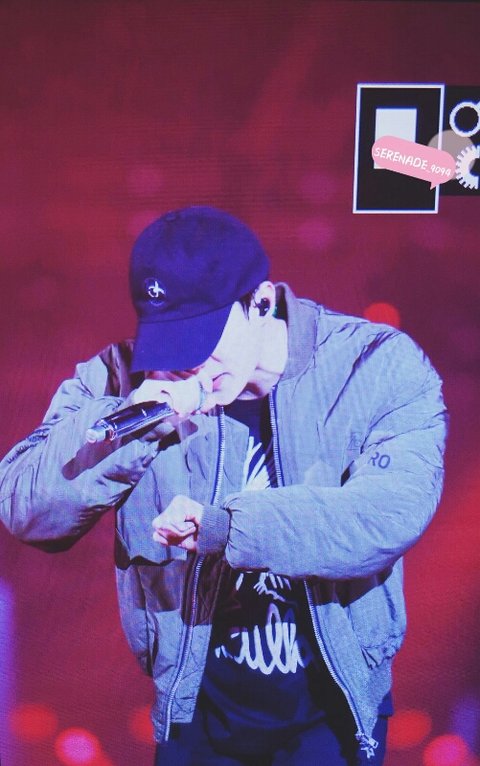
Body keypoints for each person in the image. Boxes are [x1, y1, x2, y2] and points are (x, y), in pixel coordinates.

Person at [0, 206, 447, 766]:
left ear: (260, 302)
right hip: (196, 712)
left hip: (334, 711)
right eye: (169, 342)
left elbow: (388, 514)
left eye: (201, 339)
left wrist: (224, 528)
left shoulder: (375, 365)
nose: (185, 365)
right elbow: (24, 509)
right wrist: (134, 428)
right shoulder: (124, 377)